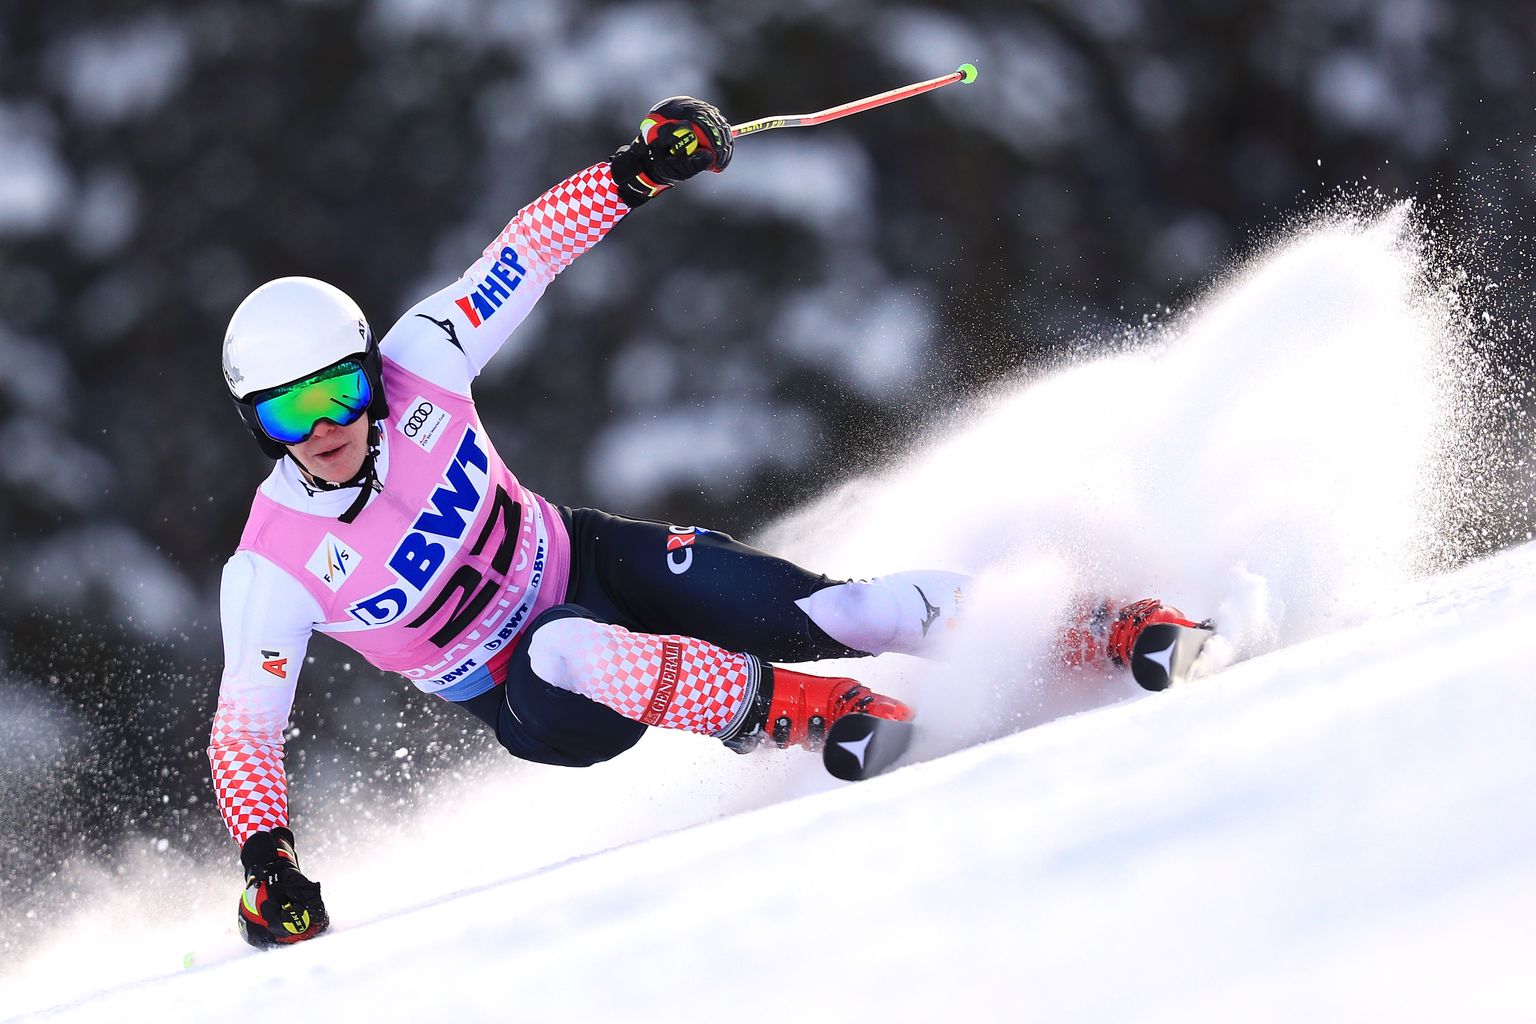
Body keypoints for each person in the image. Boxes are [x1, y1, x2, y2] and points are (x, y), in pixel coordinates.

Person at [212, 96, 1204, 949]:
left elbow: (524, 253)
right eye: (289, 414)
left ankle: (1099, 627)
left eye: (339, 391)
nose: (326, 427)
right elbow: (244, 732)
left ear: (369, 370)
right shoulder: (273, 565)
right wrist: (270, 864)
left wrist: (638, 169)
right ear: (257, 426)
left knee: (836, 611)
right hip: (529, 693)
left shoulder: (423, 359)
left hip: (591, 559)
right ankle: (810, 713)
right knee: (563, 647)